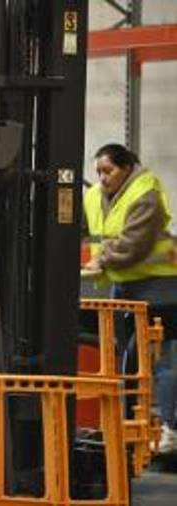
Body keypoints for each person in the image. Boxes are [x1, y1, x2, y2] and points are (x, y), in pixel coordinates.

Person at [83, 143, 177, 452]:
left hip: (158, 287)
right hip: (123, 285)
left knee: (159, 358)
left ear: (126, 168)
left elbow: (133, 244)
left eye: (107, 171)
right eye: (98, 172)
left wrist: (102, 261)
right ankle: (127, 426)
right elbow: (83, 228)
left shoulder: (144, 194)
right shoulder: (95, 195)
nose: (102, 178)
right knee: (125, 359)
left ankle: (168, 427)